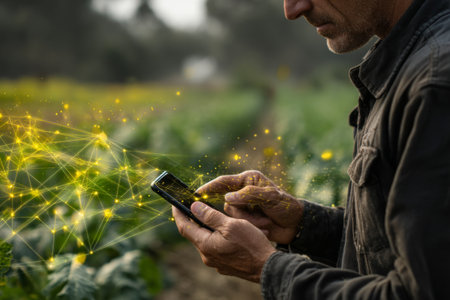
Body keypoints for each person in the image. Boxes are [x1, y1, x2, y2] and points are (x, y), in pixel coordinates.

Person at [172, 0, 450, 298]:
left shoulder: (434, 84)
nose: (292, 9)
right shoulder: (412, 62)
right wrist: (304, 225)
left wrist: (267, 268)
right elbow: (406, 250)